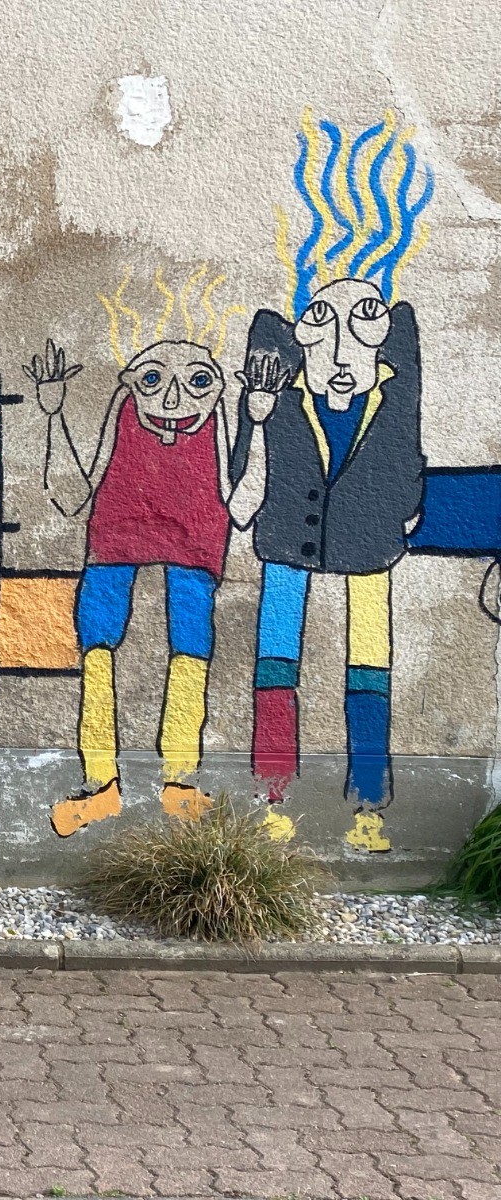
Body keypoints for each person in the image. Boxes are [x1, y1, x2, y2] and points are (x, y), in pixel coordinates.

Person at [31, 338, 261, 836]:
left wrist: (259, 423)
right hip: (115, 538)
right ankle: (101, 782)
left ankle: (179, 779)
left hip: (195, 542)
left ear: (217, 389)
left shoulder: (221, 425)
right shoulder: (122, 414)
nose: (173, 399)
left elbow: (243, 506)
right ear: (131, 385)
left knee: (190, 643)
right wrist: (53, 414)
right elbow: (72, 496)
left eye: (198, 382)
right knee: (98, 642)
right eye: (153, 380)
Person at [231, 278, 424, 852]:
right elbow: (242, 494)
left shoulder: (392, 393)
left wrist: (402, 512)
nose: (341, 357)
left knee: (369, 674)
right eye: (323, 330)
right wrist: (257, 417)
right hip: (286, 545)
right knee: (275, 669)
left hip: (368, 552)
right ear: (301, 342)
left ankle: (369, 802)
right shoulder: (276, 394)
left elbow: (406, 458)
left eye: (360, 333)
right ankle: (272, 794)